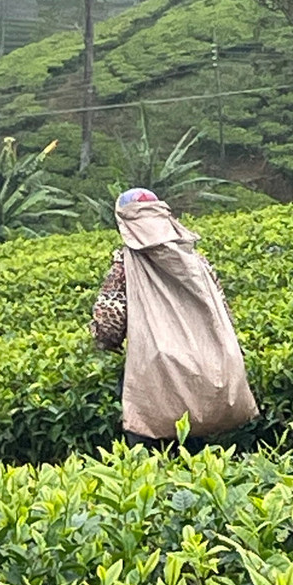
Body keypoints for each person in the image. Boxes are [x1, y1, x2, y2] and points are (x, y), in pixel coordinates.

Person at [90, 188, 259, 447]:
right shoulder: (196, 261)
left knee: (150, 449)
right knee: (198, 449)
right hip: (203, 365)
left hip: (151, 369)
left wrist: (104, 342)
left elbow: (110, 325)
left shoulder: (126, 264)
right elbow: (222, 313)